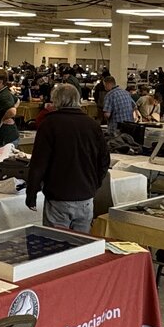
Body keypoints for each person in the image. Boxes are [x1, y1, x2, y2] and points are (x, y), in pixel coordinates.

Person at [25, 82, 110, 232]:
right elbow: (104, 160)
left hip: (59, 197)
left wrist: (31, 193)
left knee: (56, 243)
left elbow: (39, 163)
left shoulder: (49, 124)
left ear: (56, 100)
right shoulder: (92, 125)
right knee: (82, 243)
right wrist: (94, 184)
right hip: (85, 197)